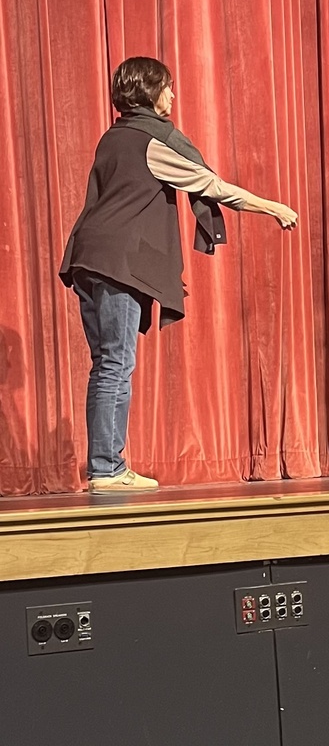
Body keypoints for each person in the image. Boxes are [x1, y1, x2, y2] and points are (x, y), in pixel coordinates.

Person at [59, 57, 298, 492]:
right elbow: (212, 185)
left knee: (106, 363)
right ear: (149, 91)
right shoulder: (153, 141)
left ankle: (105, 465)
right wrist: (273, 207)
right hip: (117, 261)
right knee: (116, 362)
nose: (173, 96)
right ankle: (106, 470)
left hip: (87, 258)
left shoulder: (113, 137)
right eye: (167, 87)